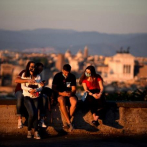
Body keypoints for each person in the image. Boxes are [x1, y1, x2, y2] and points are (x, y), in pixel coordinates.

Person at [52, 64, 77, 131]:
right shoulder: (57, 76)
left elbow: (74, 89)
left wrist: (70, 93)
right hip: (60, 94)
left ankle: (66, 122)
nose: (66, 74)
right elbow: (53, 89)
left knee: (74, 102)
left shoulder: (72, 77)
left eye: (67, 73)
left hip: (69, 94)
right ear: (62, 70)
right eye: (65, 72)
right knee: (62, 101)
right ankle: (69, 123)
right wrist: (61, 93)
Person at [21, 61, 42, 139]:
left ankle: (36, 132)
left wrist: (36, 90)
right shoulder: (24, 75)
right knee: (32, 114)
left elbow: (40, 87)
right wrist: (30, 90)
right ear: (28, 67)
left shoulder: (38, 76)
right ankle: (29, 130)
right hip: (27, 96)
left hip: (36, 96)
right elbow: (23, 86)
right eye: (31, 66)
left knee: (36, 114)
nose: (32, 68)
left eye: (34, 66)